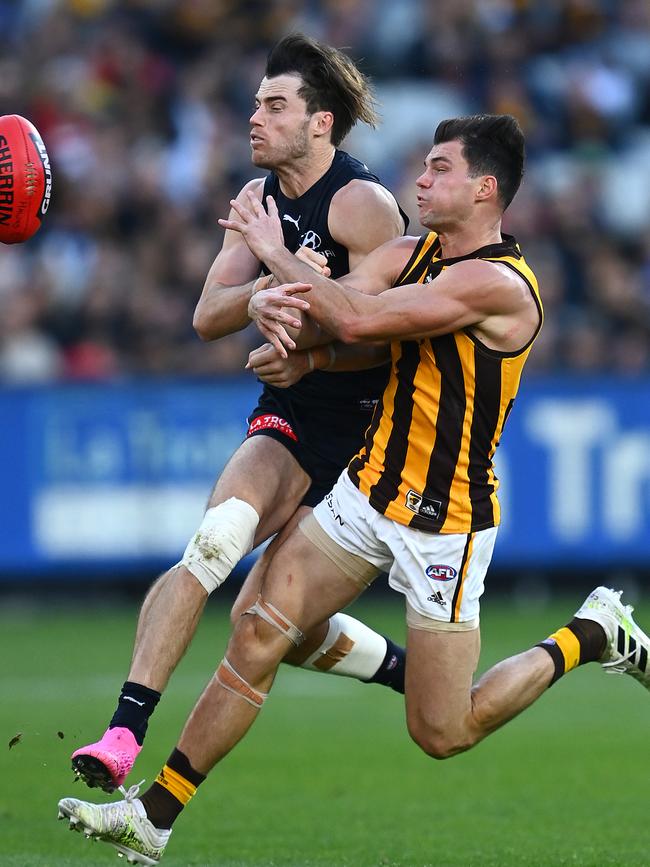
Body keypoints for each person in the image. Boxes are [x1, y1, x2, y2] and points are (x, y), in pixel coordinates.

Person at [58, 114, 650, 866]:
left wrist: (274, 253)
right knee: (258, 628)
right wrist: (287, 330)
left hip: (446, 523)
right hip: (364, 492)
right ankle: (155, 814)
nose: (421, 179)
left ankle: (590, 632)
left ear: (485, 188)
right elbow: (335, 309)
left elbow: (362, 315)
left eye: (439, 168)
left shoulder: (498, 284)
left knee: (443, 730)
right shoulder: (413, 253)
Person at [68, 33, 410, 796]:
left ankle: (405, 671)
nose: (255, 116)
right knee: (215, 539)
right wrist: (256, 294)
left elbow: (390, 335)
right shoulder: (257, 200)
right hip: (288, 416)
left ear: (320, 123)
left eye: (275, 104)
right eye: (256, 101)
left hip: (364, 437)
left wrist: (314, 351)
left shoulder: (364, 206)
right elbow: (206, 315)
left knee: (266, 622)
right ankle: (125, 730)